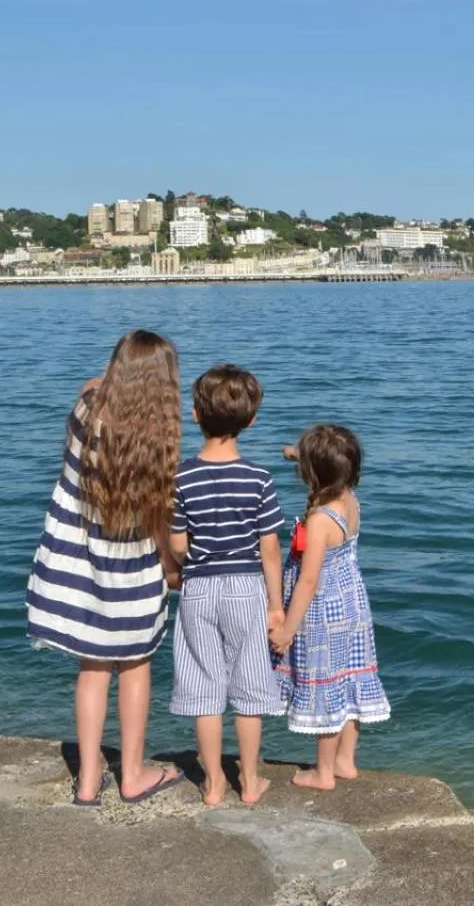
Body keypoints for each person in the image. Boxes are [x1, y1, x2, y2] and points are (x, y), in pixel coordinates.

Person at [26, 330, 187, 806]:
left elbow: (92, 386)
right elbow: (161, 525)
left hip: (78, 564)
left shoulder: (84, 412)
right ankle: (133, 774)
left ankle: (90, 780)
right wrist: (171, 566)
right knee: (135, 665)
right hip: (131, 569)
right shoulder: (158, 449)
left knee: (92, 669)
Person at [169, 364, 287, 806]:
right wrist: (276, 605)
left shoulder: (182, 476)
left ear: (196, 414)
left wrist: (185, 562)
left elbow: (178, 542)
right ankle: (251, 782)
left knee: (203, 685)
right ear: (251, 420)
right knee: (251, 684)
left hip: (199, 586)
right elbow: (270, 548)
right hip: (246, 587)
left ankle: (214, 781)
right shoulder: (258, 479)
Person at [270, 424, 390, 790]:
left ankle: (322, 774)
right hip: (352, 604)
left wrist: (288, 628)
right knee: (349, 678)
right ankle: (344, 762)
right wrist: (295, 453)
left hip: (323, 612)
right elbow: (328, 469)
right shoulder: (349, 499)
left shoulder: (320, 520)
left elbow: (308, 580)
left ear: (313, 476)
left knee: (325, 685)